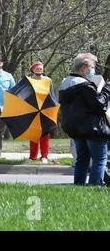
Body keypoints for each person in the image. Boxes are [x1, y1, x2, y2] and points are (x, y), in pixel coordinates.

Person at [59, 53, 110, 186]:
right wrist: (106, 90)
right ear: (83, 68)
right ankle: (95, 186)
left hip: (75, 128)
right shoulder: (85, 85)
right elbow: (99, 105)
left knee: (82, 159)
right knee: (100, 159)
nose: (94, 70)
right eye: (92, 67)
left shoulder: (65, 83)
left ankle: (79, 185)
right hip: (92, 128)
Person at [27, 61, 52, 164]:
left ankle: (44, 156)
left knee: (44, 134)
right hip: (32, 109)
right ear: (33, 70)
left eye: (41, 68)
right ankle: (32, 156)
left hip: (45, 109)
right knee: (33, 134)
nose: (39, 70)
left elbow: (51, 95)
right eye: (37, 68)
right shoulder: (28, 81)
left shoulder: (48, 80)